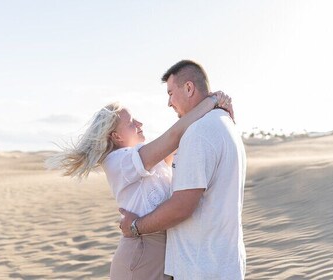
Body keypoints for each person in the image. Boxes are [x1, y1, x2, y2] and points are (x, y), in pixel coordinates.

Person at [46, 90, 233, 279]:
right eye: (131, 123)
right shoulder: (119, 161)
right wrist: (212, 100)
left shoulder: (145, 158)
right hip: (142, 253)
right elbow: (174, 136)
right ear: (116, 137)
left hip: (161, 253)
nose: (140, 124)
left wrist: (215, 109)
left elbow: (181, 137)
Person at [119, 60, 247, 280]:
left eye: (170, 93)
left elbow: (182, 206)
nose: (169, 103)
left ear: (189, 88)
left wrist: (134, 227)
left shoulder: (199, 132)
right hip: (224, 264)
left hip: (202, 269)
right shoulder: (226, 123)